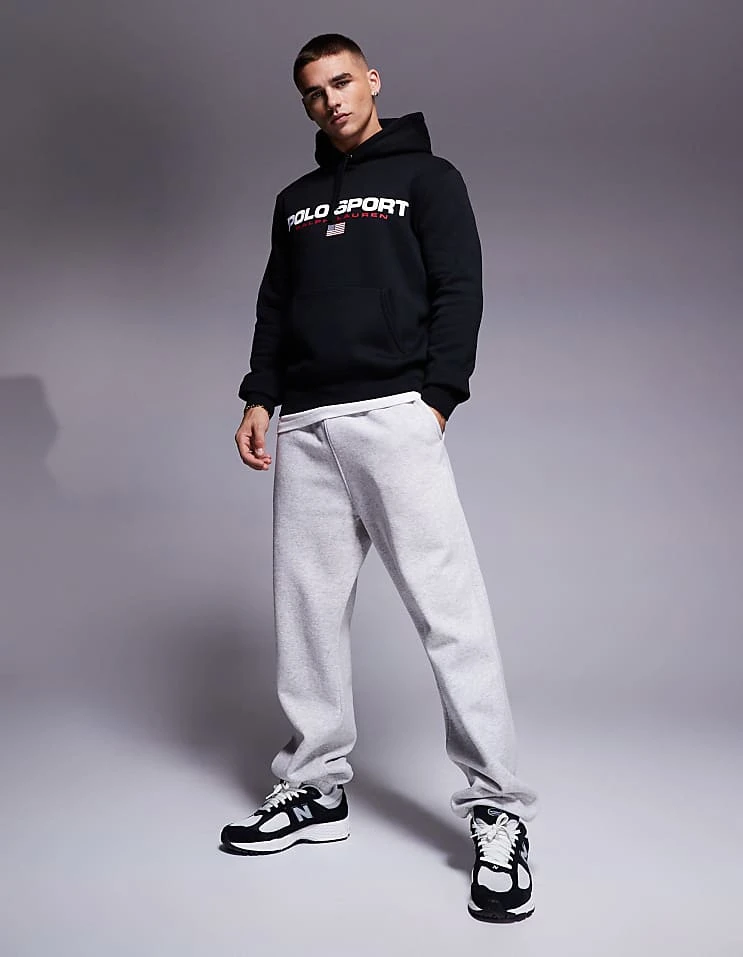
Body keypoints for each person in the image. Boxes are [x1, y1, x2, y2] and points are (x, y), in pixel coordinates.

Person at [220, 33, 539, 923]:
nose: (330, 101)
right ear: (305, 104)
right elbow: (275, 306)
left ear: (371, 80)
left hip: (394, 413)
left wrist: (436, 399)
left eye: (341, 82)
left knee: (449, 613)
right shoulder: (293, 202)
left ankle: (499, 810)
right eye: (313, 93)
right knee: (308, 613)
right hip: (305, 422)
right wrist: (260, 396)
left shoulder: (429, 179)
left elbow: (461, 287)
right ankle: (315, 785)